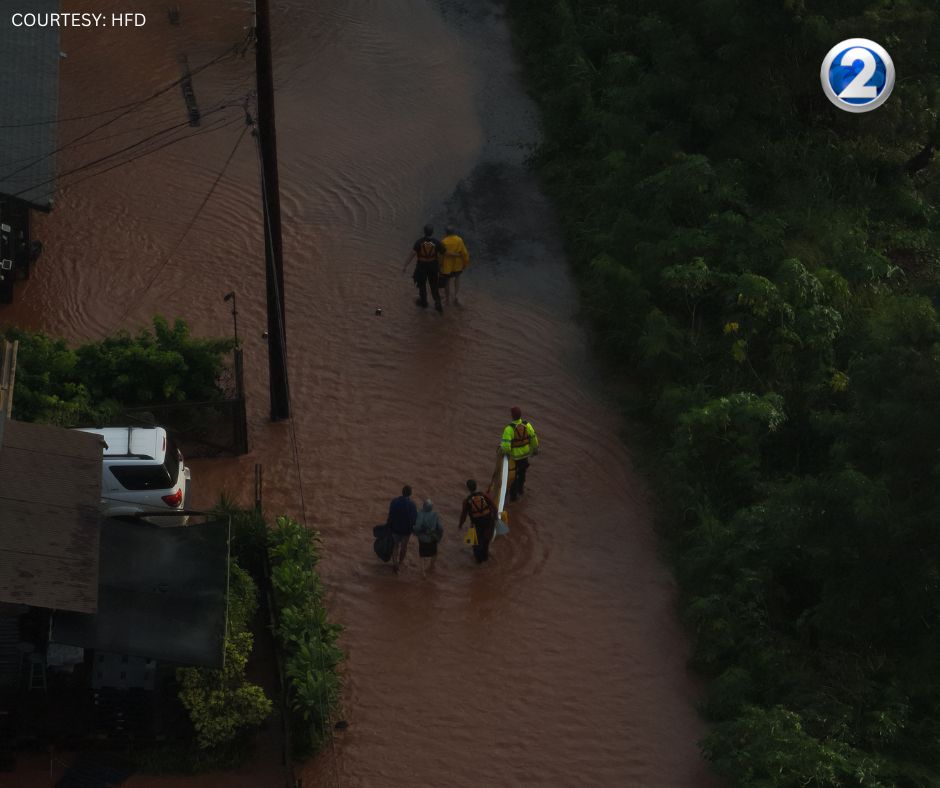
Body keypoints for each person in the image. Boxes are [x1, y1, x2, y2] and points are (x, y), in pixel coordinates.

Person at [402, 224, 444, 313]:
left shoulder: (419, 242)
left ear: (424, 232)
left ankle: (424, 302)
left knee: (422, 285)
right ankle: (438, 303)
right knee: (434, 286)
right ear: (432, 232)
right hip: (433, 267)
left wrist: (405, 265)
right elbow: (443, 253)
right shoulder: (436, 242)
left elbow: (412, 254)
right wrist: (441, 267)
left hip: (421, 267)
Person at [501, 406, 539, 501]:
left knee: (513, 476)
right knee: (522, 473)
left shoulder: (509, 429)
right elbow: (534, 438)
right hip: (525, 454)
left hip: (515, 457)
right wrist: (534, 449)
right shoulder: (527, 425)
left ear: (512, 416)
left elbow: (506, 447)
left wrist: (505, 454)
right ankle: (521, 490)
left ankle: (513, 497)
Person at [458, 479, 497, 563]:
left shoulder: (467, 501)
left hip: (477, 524)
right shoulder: (483, 495)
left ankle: (478, 563)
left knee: (476, 544)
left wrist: (460, 525)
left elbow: (463, 516)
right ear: (476, 486)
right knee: (486, 541)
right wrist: (495, 519)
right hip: (488, 521)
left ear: (468, 488)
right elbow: (494, 507)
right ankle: (485, 559)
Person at [386, 485, 417, 573]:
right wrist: (414, 529)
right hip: (406, 531)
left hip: (395, 528)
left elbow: (390, 515)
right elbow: (414, 519)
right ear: (410, 494)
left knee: (395, 546)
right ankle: (400, 563)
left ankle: (395, 563)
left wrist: (389, 524)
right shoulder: (412, 505)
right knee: (404, 547)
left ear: (402, 492)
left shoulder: (394, 501)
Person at [439, 225, 470, 305]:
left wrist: (439, 265)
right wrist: (465, 263)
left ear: (446, 233)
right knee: (457, 278)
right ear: (454, 232)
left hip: (447, 267)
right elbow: (464, 253)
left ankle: (447, 300)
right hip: (457, 265)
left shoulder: (443, 241)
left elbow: (441, 255)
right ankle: (456, 296)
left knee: (447, 281)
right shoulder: (459, 240)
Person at [413, 498, 444, 576]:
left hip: (422, 538)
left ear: (424, 506)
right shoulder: (435, 515)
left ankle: (423, 572)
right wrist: (439, 534)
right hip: (432, 537)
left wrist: (415, 532)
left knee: (422, 555)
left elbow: (417, 527)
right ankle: (431, 566)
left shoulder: (419, 514)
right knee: (434, 553)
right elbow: (440, 528)